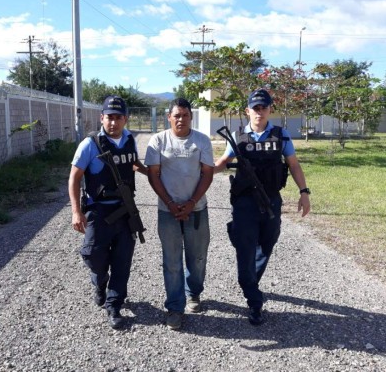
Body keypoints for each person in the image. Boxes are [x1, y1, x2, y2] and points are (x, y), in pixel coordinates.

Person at [214, 88, 311, 326]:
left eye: (263, 107)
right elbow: (223, 163)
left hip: (271, 200)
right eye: (255, 108)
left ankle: (249, 279)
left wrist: (304, 192)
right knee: (245, 248)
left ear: (270, 110)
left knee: (268, 242)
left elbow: (294, 165)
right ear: (247, 111)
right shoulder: (237, 137)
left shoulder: (281, 135)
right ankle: (254, 300)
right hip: (244, 202)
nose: (259, 112)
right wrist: (199, 170)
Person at [68, 95, 147, 330]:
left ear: (125, 119)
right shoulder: (90, 144)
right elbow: (74, 178)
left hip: (125, 211)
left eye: (118, 118)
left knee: (122, 261)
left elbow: (132, 163)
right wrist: (75, 211)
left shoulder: (130, 140)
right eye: (109, 117)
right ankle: (100, 281)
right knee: (92, 254)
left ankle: (114, 305)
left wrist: (154, 172)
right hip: (98, 211)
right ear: (102, 117)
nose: (113, 122)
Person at [145, 98, 214, 330]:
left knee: (197, 258)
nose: (181, 119)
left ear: (191, 117)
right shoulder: (157, 141)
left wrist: (192, 201)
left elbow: (207, 174)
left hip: (197, 210)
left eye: (185, 115)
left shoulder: (202, 140)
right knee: (172, 262)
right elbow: (153, 175)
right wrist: (171, 203)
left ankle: (193, 293)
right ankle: (175, 307)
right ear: (169, 117)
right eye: (177, 115)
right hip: (168, 212)